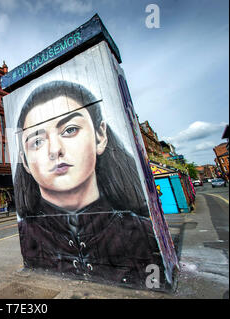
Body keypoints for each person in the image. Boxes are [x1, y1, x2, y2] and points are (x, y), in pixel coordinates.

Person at [13, 81, 166, 289]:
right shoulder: (26, 234)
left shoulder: (144, 233)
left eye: (70, 129)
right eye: (37, 142)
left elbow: (156, 284)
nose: (55, 150)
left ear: (100, 136)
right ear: (26, 161)